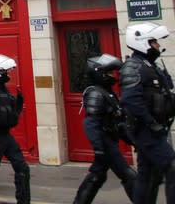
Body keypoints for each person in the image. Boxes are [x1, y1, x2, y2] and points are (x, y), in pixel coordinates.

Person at [120, 22, 175, 203]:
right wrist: (151, 122)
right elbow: (130, 99)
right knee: (172, 167)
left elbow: (164, 91)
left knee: (148, 174)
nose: (158, 45)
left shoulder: (149, 65)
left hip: (155, 128)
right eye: (154, 42)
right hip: (146, 131)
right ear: (142, 42)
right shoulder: (133, 67)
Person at [73, 53, 136, 203]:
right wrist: (99, 147)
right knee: (129, 175)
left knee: (97, 175)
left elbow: (118, 120)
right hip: (106, 142)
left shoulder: (108, 93)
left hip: (110, 140)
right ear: (99, 73)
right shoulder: (96, 93)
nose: (112, 76)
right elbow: (91, 123)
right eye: (108, 72)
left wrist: (131, 140)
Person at [0, 55, 30, 204]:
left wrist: (17, 106)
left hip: (6, 136)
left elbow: (10, 115)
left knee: (22, 168)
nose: (7, 75)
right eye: (4, 72)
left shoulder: (3, 88)